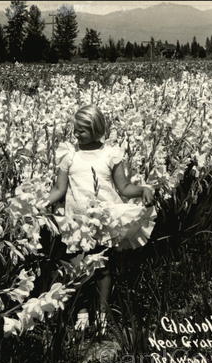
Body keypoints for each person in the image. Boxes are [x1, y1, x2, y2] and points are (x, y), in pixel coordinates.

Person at [42, 104, 156, 332]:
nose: (75, 134)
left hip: (103, 218)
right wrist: (40, 202)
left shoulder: (110, 154)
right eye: (74, 129)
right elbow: (60, 189)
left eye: (81, 130)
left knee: (102, 267)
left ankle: (103, 313)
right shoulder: (68, 154)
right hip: (76, 220)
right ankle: (82, 312)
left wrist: (143, 189)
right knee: (76, 267)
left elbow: (123, 187)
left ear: (95, 130)